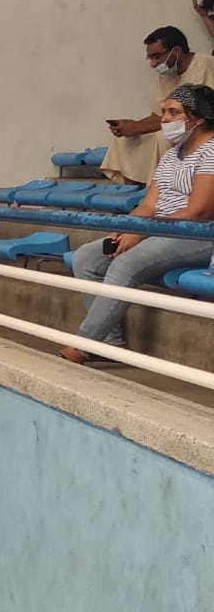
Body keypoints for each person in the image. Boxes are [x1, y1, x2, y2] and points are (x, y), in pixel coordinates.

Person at [64, 84, 214, 363]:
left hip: (199, 235)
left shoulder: (212, 152)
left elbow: (199, 211)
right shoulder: (171, 155)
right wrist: (128, 228)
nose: (164, 119)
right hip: (158, 229)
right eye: (164, 112)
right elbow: (148, 205)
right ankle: (111, 344)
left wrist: (142, 234)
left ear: (199, 117)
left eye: (173, 113)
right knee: (87, 257)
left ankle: (84, 344)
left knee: (126, 262)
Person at [102, 27, 214, 185]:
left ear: (176, 51)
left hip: (202, 128)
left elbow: (203, 112)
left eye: (156, 57)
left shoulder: (206, 64)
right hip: (178, 126)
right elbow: (158, 115)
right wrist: (132, 126)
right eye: (150, 58)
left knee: (163, 138)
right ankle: (133, 190)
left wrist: (138, 127)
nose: (153, 64)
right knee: (122, 140)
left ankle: (164, 187)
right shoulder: (166, 75)